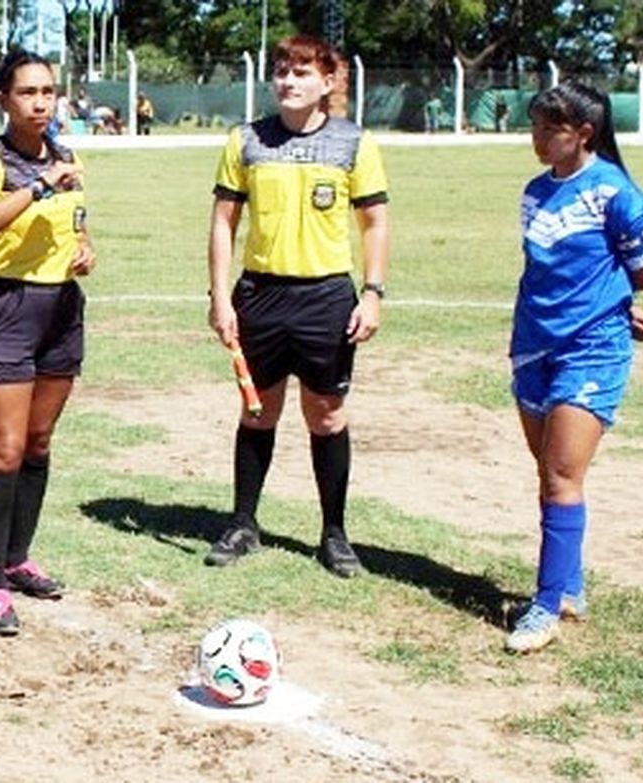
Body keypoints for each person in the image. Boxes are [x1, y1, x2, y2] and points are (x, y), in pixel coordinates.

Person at [204, 35, 390, 577]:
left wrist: (373, 293)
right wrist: (220, 296)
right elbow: (223, 222)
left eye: (303, 72)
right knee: (257, 409)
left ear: (328, 82)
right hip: (260, 295)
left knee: (327, 415)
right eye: (282, 71)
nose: (289, 81)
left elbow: (375, 223)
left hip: (327, 298)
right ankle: (243, 523)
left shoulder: (355, 143)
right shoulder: (245, 141)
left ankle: (334, 533)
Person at [504, 81, 643, 654]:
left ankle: (543, 609)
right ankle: (568, 587)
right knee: (550, 471)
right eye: (535, 125)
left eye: (551, 128)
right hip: (531, 346)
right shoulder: (533, 192)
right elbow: (545, 272)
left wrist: (619, 307)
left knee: (561, 475)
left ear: (584, 134)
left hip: (592, 349)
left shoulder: (617, 194)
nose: (538, 137)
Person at [0, 49, 96, 636]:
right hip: (8, 309)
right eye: (27, 92)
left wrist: (86, 248)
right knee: (5, 451)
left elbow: (77, 223)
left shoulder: (66, 155)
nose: (40, 102)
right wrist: (39, 186)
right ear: (3, 100)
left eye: (48, 91)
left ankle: (18, 557)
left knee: (39, 442)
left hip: (61, 309)